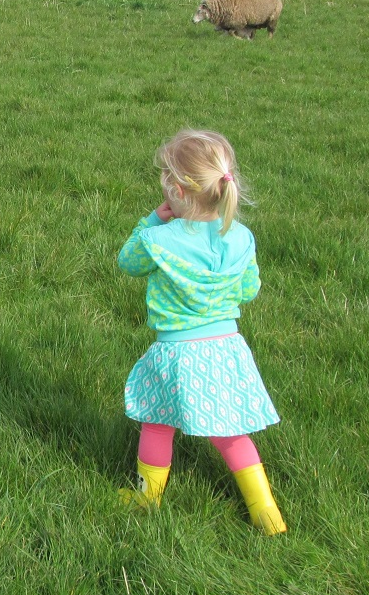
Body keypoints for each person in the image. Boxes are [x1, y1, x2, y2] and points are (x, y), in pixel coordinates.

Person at [117, 129, 286, 536]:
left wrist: (153, 219)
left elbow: (128, 261)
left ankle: (146, 497)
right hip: (226, 349)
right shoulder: (242, 238)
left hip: (176, 353)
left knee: (157, 423)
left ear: (176, 190)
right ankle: (266, 511)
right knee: (230, 432)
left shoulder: (158, 240)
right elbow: (250, 289)